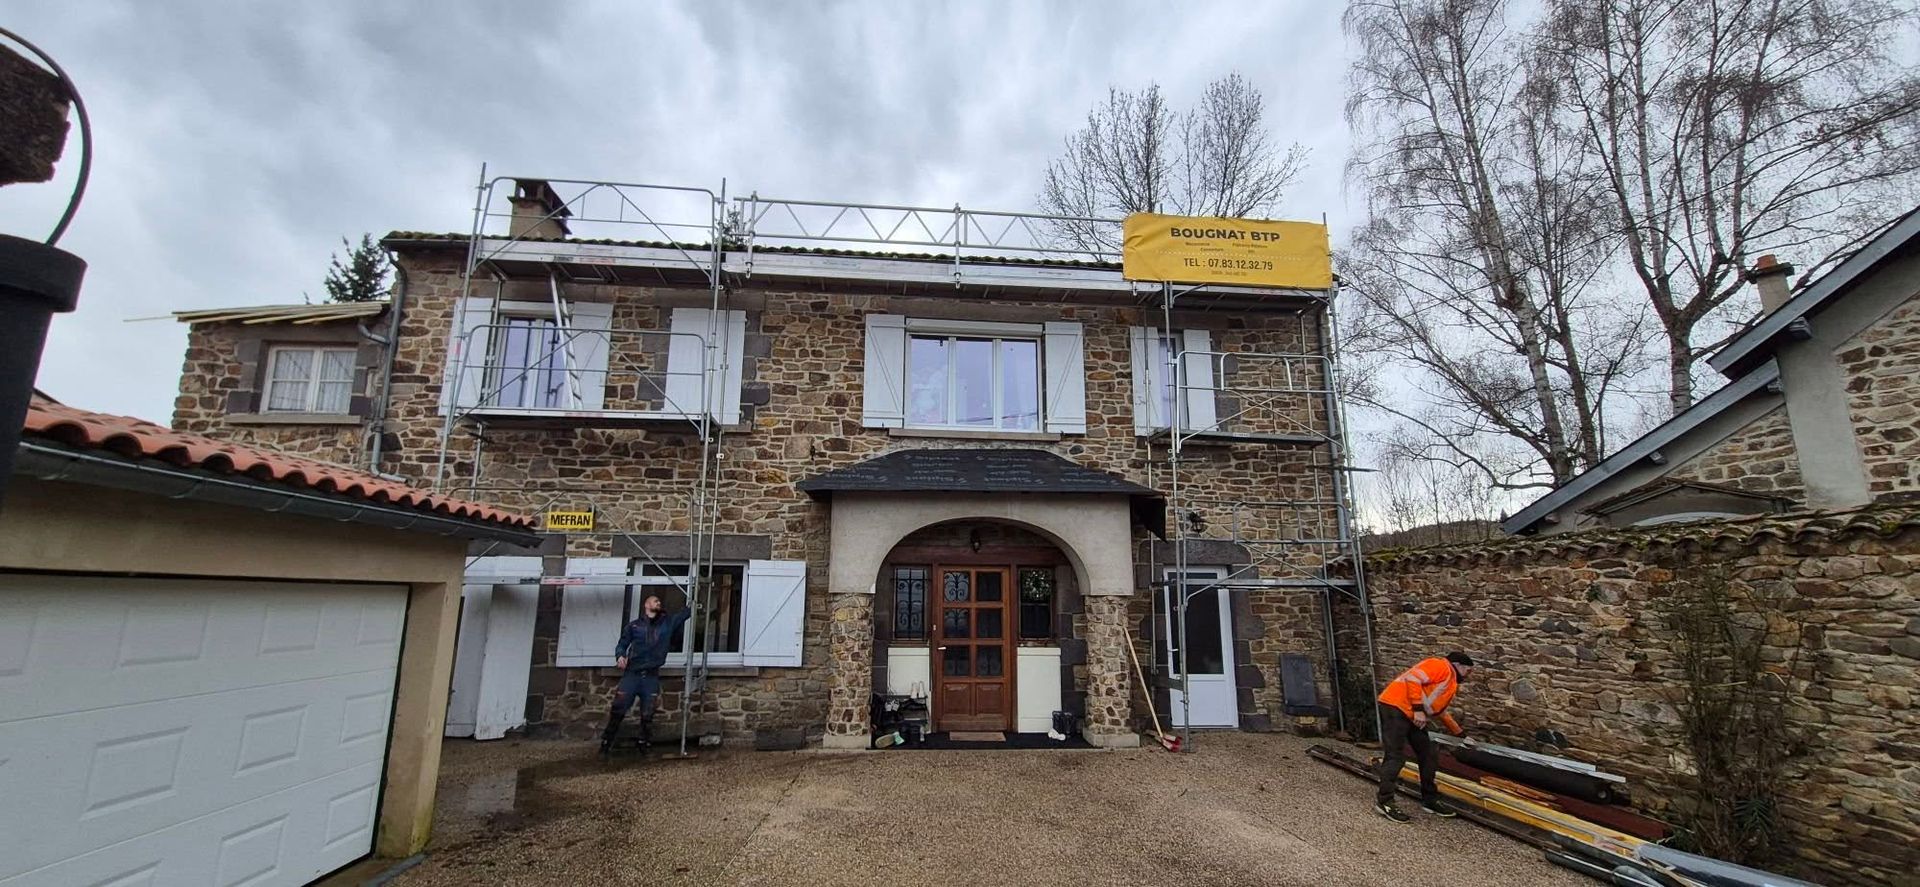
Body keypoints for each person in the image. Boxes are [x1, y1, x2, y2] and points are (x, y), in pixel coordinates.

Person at [1373, 651, 1475, 822]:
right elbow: (1413, 678)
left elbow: (1440, 711)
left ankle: (1430, 799)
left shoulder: (1450, 681)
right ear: (1457, 665)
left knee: (1428, 754)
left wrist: (1461, 735)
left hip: (1411, 712)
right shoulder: (1440, 666)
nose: (1469, 675)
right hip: (1396, 707)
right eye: (1468, 671)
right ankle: (1385, 802)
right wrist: (1419, 710)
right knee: (1395, 757)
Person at [599, 593, 695, 756]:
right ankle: (606, 744)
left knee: (648, 712)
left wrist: (694, 597)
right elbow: (622, 644)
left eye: (659, 601)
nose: (658, 603)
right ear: (646, 604)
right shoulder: (634, 626)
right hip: (632, 674)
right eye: (655, 600)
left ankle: (643, 744)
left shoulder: (666, 624)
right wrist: (620, 656)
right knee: (618, 709)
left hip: (651, 675)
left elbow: (684, 614)